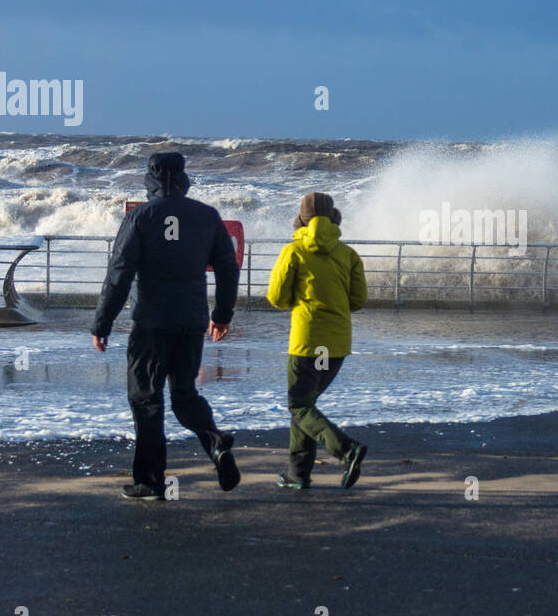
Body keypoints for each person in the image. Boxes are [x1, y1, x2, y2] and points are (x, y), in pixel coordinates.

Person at [90, 152, 241, 500]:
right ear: (184, 177)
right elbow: (228, 269)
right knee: (185, 395)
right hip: (191, 323)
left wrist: (102, 322)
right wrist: (222, 315)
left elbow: (119, 274)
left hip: (151, 324)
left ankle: (150, 480)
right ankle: (216, 444)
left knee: (146, 398)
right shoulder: (206, 216)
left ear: (151, 178)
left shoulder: (141, 217)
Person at [266, 192, 369, 489]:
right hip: (335, 346)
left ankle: (347, 450)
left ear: (300, 219)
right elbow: (358, 300)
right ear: (335, 218)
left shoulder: (294, 251)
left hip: (307, 343)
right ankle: (297, 474)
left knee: (299, 406)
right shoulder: (347, 254)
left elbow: (276, 297)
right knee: (306, 406)